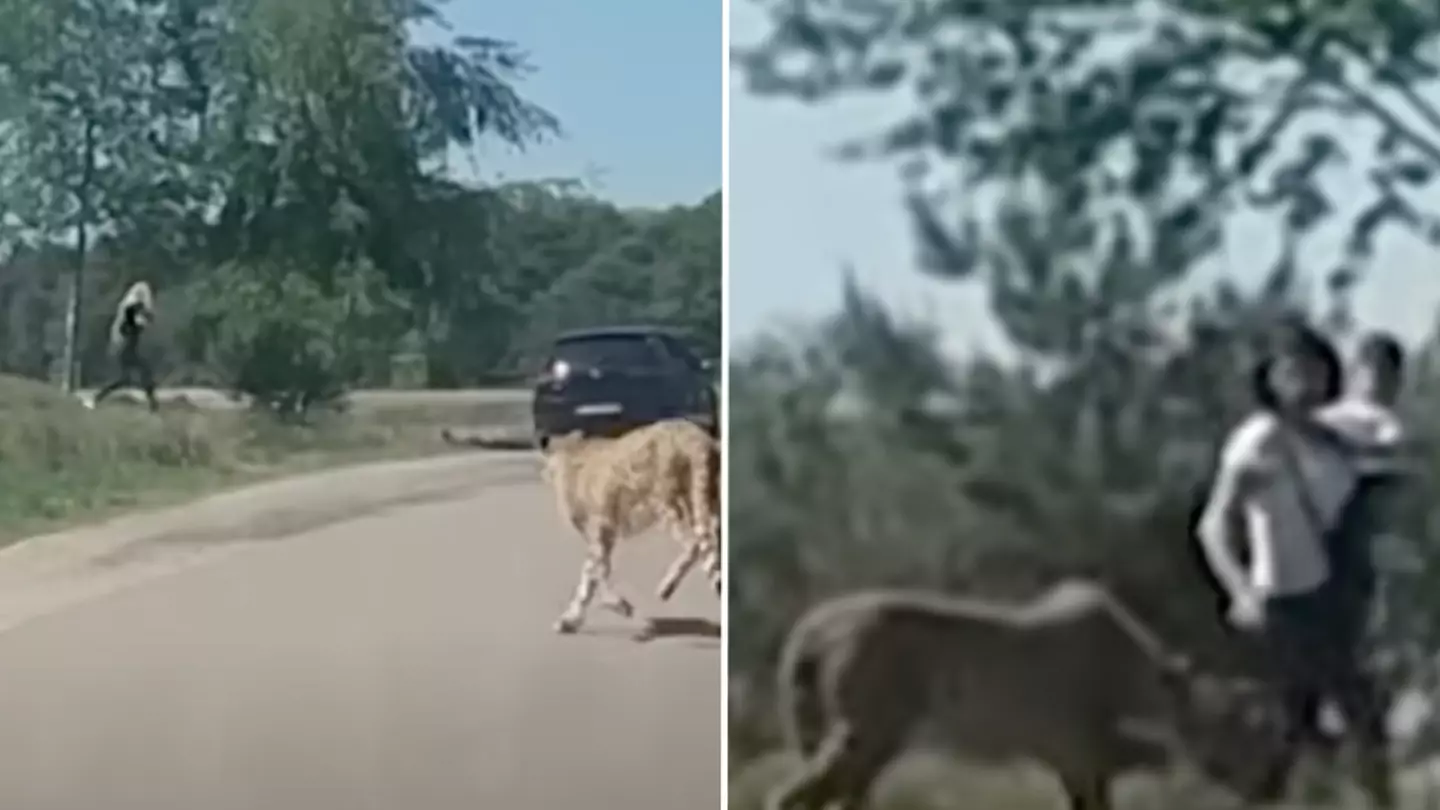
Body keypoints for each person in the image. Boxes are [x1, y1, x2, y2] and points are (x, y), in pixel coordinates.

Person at [1193, 318, 1393, 806]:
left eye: (1311, 371)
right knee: (1305, 726)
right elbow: (1214, 525)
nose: (1303, 383)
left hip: (1334, 597)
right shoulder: (1258, 441)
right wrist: (1239, 589)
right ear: (1271, 378)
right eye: (1292, 372)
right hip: (1283, 601)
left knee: (1337, 724)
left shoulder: (1340, 434)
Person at [89, 281, 159, 412]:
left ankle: (153, 405)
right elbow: (129, 327)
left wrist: (143, 322)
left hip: (127, 349)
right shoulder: (129, 311)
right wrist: (142, 324)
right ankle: (96, 398)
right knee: (131, 376)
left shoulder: (129, 310)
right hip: (124, 349)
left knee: (137, 375)